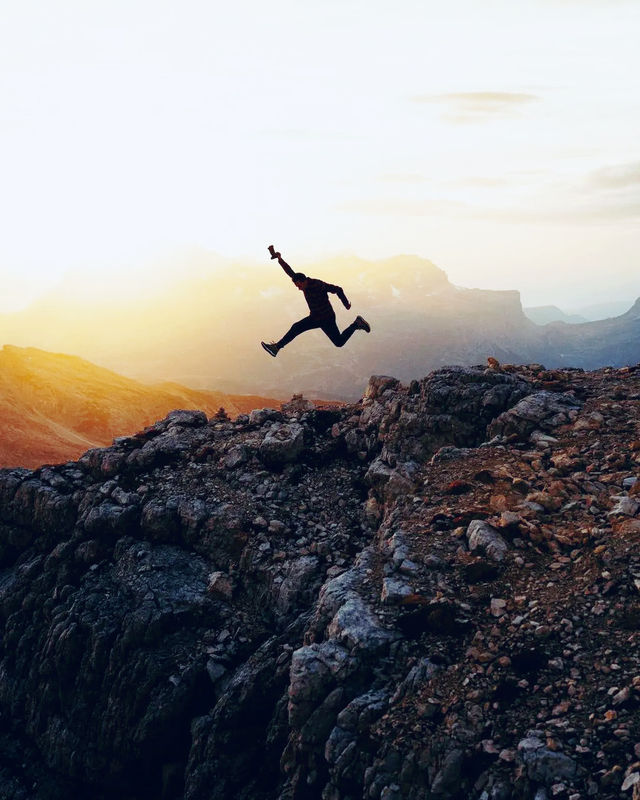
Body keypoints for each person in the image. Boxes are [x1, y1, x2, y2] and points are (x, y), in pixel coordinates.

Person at [261, 246, 371, 357]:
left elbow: (338, 289)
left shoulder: (318, 285)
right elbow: (289, 271)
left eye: (299, 285)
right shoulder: (302, 282)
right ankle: (357, 324)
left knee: (299, 328)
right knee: (336, 341)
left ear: (304, 281)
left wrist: (346, 304)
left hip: (326, 318)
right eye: (296, 286)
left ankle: (356, 324)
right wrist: (279, 258)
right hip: (316, 317)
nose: (299, 288)